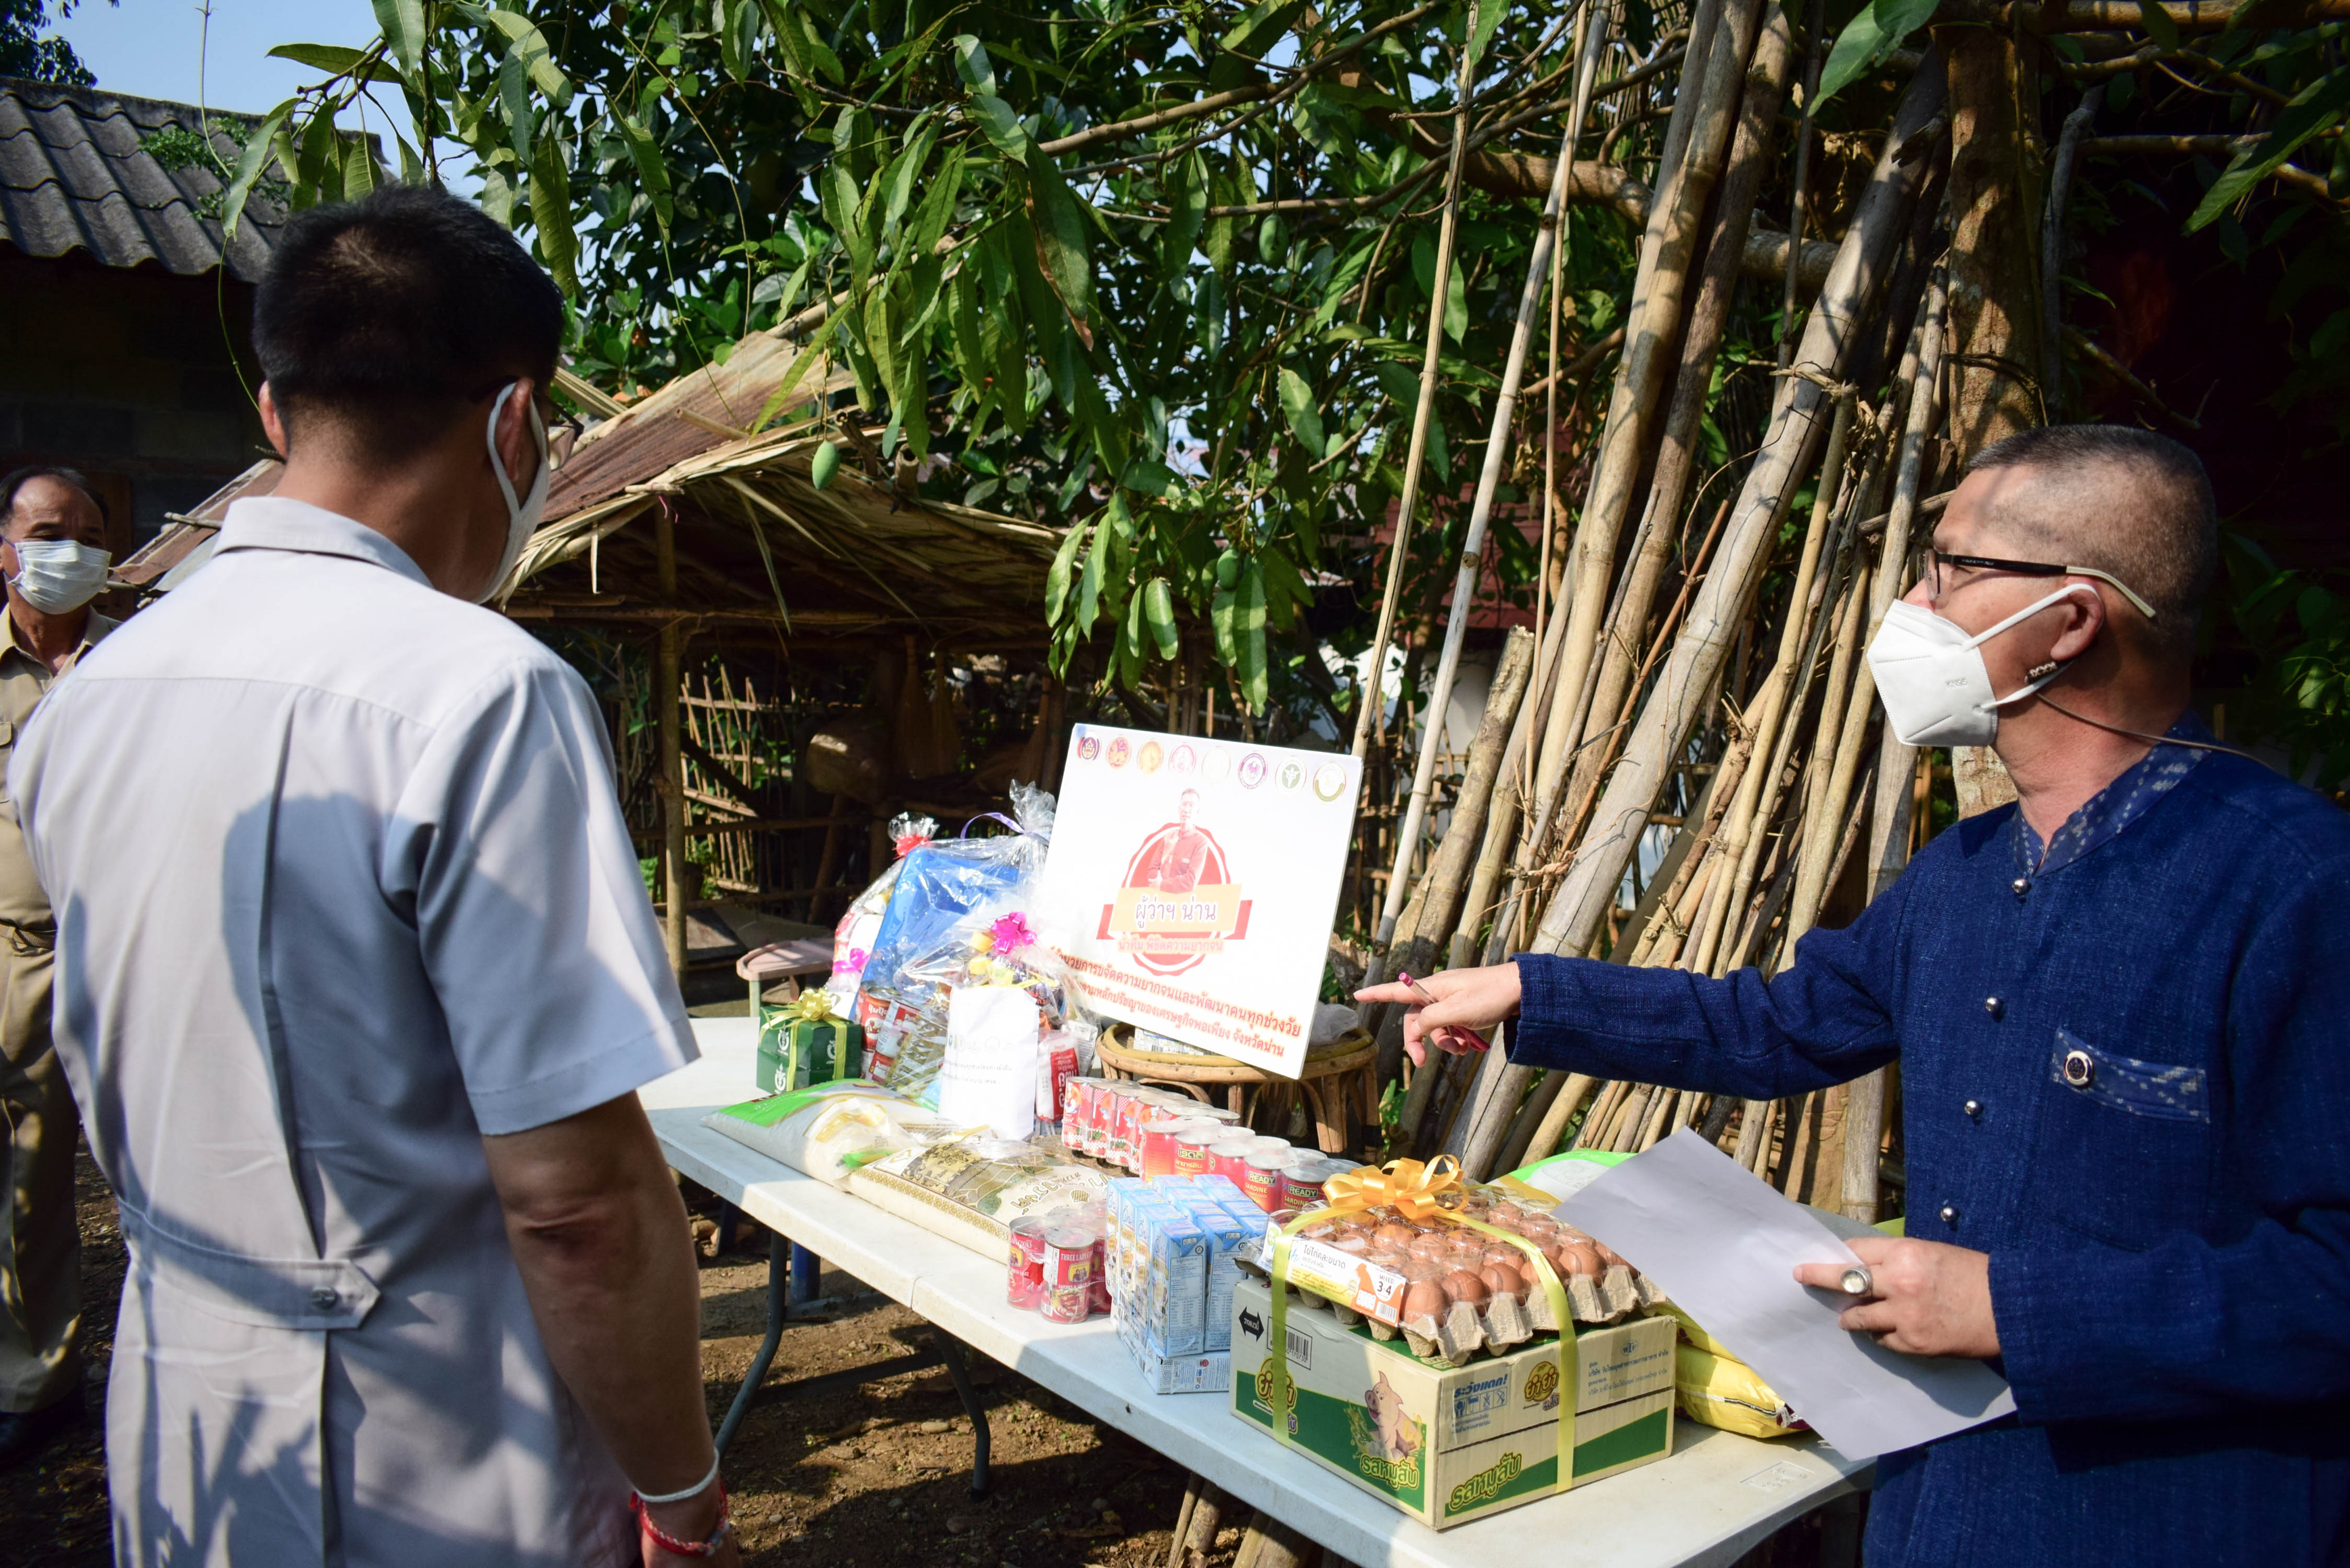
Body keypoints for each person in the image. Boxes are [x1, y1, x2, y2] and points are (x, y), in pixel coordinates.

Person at [1362, 425, 2350, 1567]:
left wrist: (2015, 1312)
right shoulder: (1963, 873)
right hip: (1936, 1504)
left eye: (1951, 568)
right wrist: (1533, 994)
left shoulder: (2292, 890)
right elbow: (1778, 1025)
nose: (1913, 602)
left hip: (2163, 1521)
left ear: (2071, 620)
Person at [11, 187, 738, 1565]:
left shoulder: (89, 704)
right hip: (447, 1462)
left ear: (277, 418)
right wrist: (682, 1492)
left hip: (187, 1440)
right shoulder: (480, 698)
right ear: (515, 427)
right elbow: (576, 1200)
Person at [0, 466, 116, 1469]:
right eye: (46, 530)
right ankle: (40, 1380)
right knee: (26, 1177)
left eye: (88, 531)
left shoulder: (138, 669)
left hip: (128, 955)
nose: (69, 549)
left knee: (152, 1165)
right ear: (5, 548)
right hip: (17, 956)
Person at [1131, 787, 1213, 893]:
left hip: (1183, 903)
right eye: (1184, 805)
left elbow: (1190, 882)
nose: (1186, 810)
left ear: (1198, 812)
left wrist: (1162, 885)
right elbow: (1152, 870)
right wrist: (1157, 883)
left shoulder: (1201, 842)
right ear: (1179, 809)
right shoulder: (1168, 837)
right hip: (1160, 901)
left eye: (1191, 805)